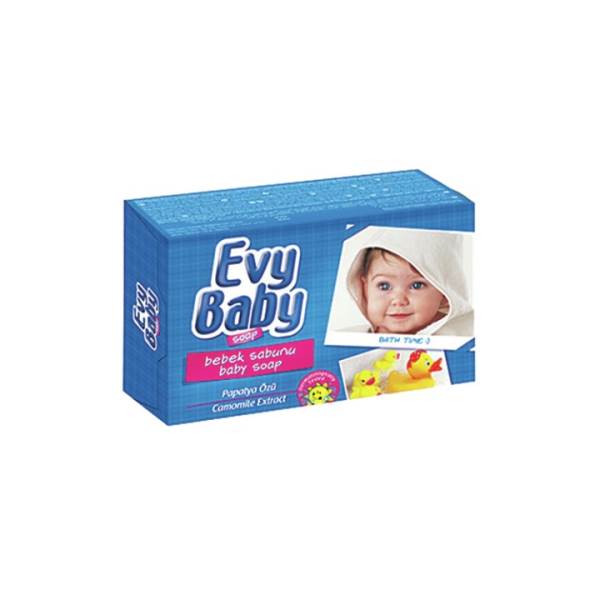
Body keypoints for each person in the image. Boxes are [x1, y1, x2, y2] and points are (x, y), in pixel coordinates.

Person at [345, 227, 473, 336]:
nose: (399, 301)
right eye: (384, 286)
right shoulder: (349, 338)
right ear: (364, 289)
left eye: (416, 285)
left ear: (445, 294)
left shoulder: (459, 339)